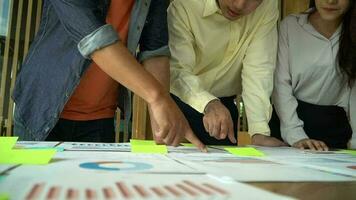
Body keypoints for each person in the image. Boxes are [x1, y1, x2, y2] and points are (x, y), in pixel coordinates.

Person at [12, 0, 206, 151]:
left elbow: (155, 52)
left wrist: (163, 126)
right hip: (42, 110)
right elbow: (93, 38)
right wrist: (158, 97)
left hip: (100, 118)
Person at [168, 0, 285, 146]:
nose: (239, 5)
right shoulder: (185, 5)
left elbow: (259, 69)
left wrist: (259, 131)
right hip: (183, 97)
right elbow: (177, 70)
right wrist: (208, 103)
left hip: (226, 106)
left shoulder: (267, 5)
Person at [272, 0, 356, 150]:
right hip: (289, 124)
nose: (331, 1)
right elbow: (280, 85)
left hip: (338, 130)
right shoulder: (291, 26)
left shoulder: (352, 31)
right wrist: (297, 136)